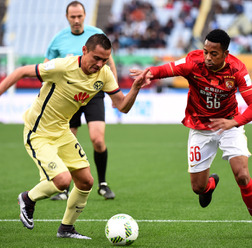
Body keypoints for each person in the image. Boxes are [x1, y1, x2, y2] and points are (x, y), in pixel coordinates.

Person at [0, 34, 149, 239]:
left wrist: (135, 88)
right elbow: (21, 71)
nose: (100, 64)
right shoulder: (62, 67)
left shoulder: (104, 75)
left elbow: (122, 106)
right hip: (39, 132)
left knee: (86, 181)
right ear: (84, 50)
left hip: (62, 131)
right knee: (62, 180)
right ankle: (27, 198)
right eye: (96, 58)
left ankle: (66, 228)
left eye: (105, 60)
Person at [130, 29, 252, 215]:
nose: (208, 57)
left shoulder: (237, 69)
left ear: (226, 54)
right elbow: (169, 68)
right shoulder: (193, 62)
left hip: (229, 125)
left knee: (242, 176)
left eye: (214, 53)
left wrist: (234, 122)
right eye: (205, 51)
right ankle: (210, 185)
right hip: (200, 127)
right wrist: (150, 73)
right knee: (198, 188)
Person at [44, 1, 117, 200]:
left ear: (85, 15)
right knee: (68, 140)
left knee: (98, 139)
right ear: (67, 17)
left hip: (93, 93)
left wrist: (114, 91)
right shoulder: (58, 39)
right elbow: (47, 65)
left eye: (79, 16)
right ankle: (64, 188)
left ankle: (102, 183)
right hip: (68, 96)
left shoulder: (96, 34)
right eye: (72, 17)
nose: (76, 20)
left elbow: (109, 62)